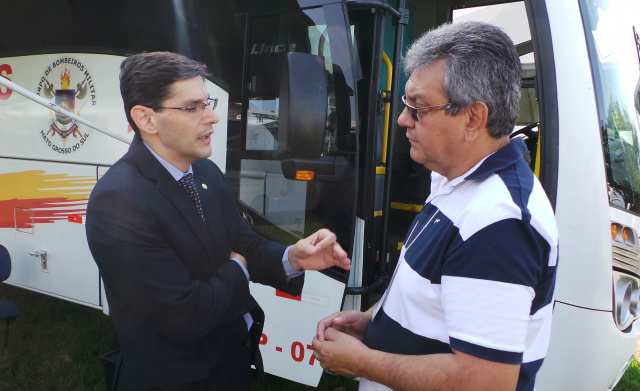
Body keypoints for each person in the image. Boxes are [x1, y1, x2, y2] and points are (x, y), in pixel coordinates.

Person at [312, 21, 558, 391]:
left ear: (473, 118)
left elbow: (485, 382)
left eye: (419, 108)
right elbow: (435, 294)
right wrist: (373, 321)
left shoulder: (499, 223)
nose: (402, 119)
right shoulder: (452, 179)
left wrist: (362, 361)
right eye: (406, 103)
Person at [85, 51, 350, 391]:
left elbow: (241, 241)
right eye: (193, 107)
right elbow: (185, 315)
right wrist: (238, 268)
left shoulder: (205, 171)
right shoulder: (118, 201)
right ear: (146, 119)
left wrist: (291, 258)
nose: (213, 117)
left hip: (229, 367)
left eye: (207, 103)